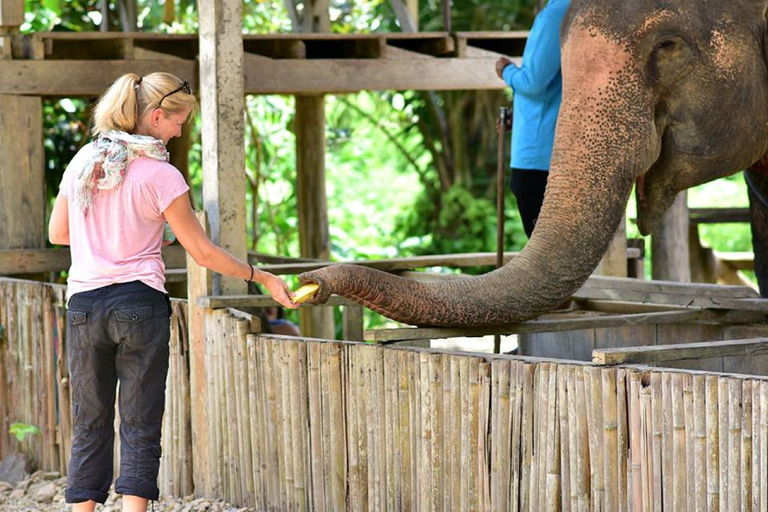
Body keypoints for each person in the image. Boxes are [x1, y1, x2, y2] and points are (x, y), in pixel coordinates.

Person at [48, 72, 298, 512]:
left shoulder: (85, 161)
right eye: (179, 122)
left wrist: (122, 235)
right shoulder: (162, 175)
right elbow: (202, 252)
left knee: (90, 420)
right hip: (138, 304)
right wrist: (262, 277)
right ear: (158, 116)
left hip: (85, 305)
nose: (181, 130)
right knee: (140, 421)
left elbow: (59, 234)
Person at [495, 0, 571, 238]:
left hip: (537, 161)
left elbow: (534, 84)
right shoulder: (579, 7)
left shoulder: (554, 15)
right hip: (555, 151)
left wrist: (506, 70)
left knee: (547, 258)